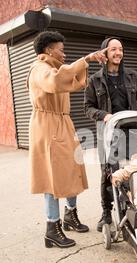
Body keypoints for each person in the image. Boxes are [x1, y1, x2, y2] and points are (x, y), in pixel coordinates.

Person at [27, 31, 108, 249]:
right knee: (51, 178)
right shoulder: (40, 69)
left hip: (63, 124)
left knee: (73, 169)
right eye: (61, 50)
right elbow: (55, 82)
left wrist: (90, 67)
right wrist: (87, 59)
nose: (64, 54)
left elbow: (72, 82)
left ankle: (70, 215)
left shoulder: (53, 69)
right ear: (48, 50)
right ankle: (51, 229)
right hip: (48, 126)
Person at [84, 37, 137, 232]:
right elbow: (88, 107)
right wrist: (103, 115)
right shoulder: (94, 80)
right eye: (113, 49)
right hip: (108, 133)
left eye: (120, 49)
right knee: (108, 173)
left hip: (131, 130)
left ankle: (131, 207)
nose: (118, 53)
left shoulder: (132, 76)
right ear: (104, 52)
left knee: (132, 169)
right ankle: (106, 213)